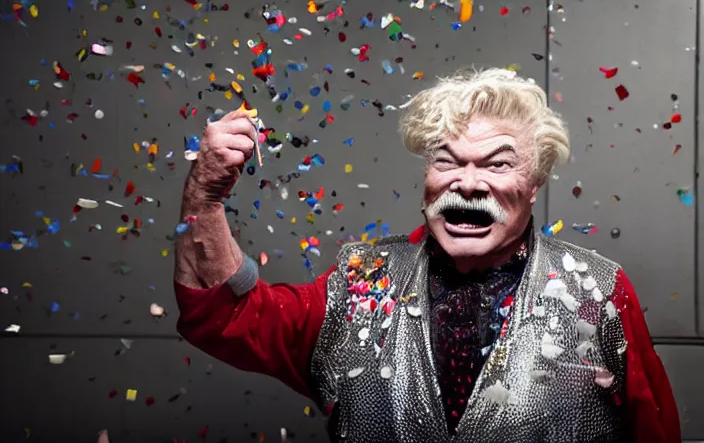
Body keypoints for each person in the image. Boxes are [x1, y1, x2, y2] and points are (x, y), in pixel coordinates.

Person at [174, 68, 681, 442]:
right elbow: (230, 314)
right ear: (426, 178)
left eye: (497, 164)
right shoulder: (359, 282)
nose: (467, 183)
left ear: (534, 183)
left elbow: (654, 432)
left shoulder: (598, 291)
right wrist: (205, 196)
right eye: (447, 161)